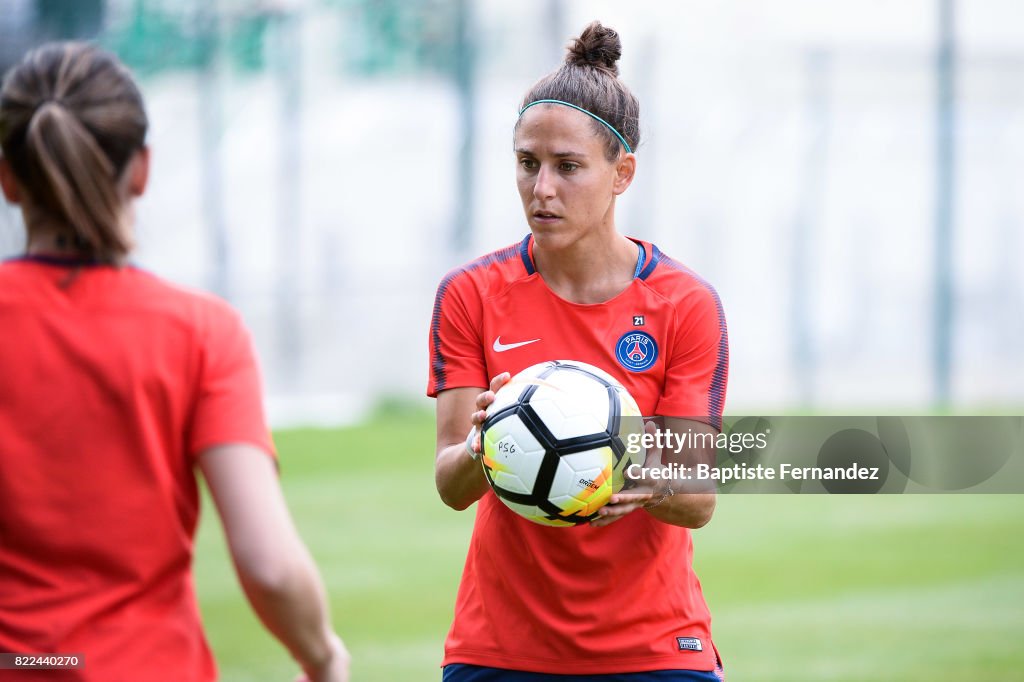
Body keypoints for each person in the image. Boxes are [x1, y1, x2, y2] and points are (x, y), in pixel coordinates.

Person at [0, 42, 349, 682]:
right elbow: (268, 562)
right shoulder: (199, 333)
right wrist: (322, 656)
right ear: (141, 171)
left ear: (8, 177)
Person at [428, 22, 729, 681]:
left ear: (622, 173)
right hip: (500, 650)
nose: (542, 189)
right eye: (527, 163)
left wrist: (640, 480)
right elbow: (451, 484)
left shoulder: (684, 304)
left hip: (653, 650)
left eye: (568, 167)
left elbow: (698, 495)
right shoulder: (470, 295)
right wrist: (487, 443)